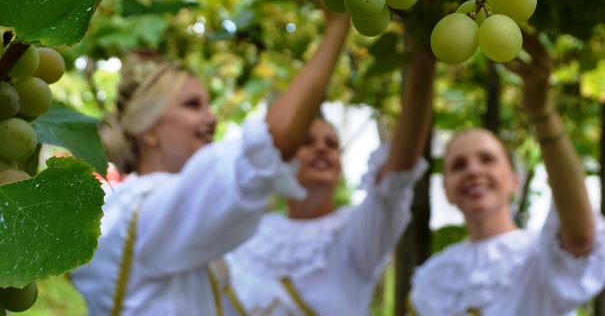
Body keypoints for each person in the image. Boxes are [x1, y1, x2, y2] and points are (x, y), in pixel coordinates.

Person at [70, 10, 350, 316]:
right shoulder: (149, 208)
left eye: (208, 105)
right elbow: (271, 145)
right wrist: (338, 26)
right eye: (193, 105)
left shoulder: (143, 209)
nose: (212, 118)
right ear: (146, 127)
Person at [224, 46, 437, 315]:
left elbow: (398, 172)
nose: (321, 149)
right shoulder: (251, 234)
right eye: (306, 142)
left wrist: (423, 64)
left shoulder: (354, 232)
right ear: (285, 156)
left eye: (332, 144)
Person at [408, 32, 605, 316]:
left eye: (487, 159)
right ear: (447, 191)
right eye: (458, 165)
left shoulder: (541, 256)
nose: (474, 170)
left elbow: (581, 236)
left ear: (515, 180)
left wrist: (541, 111)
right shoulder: (432, 278)